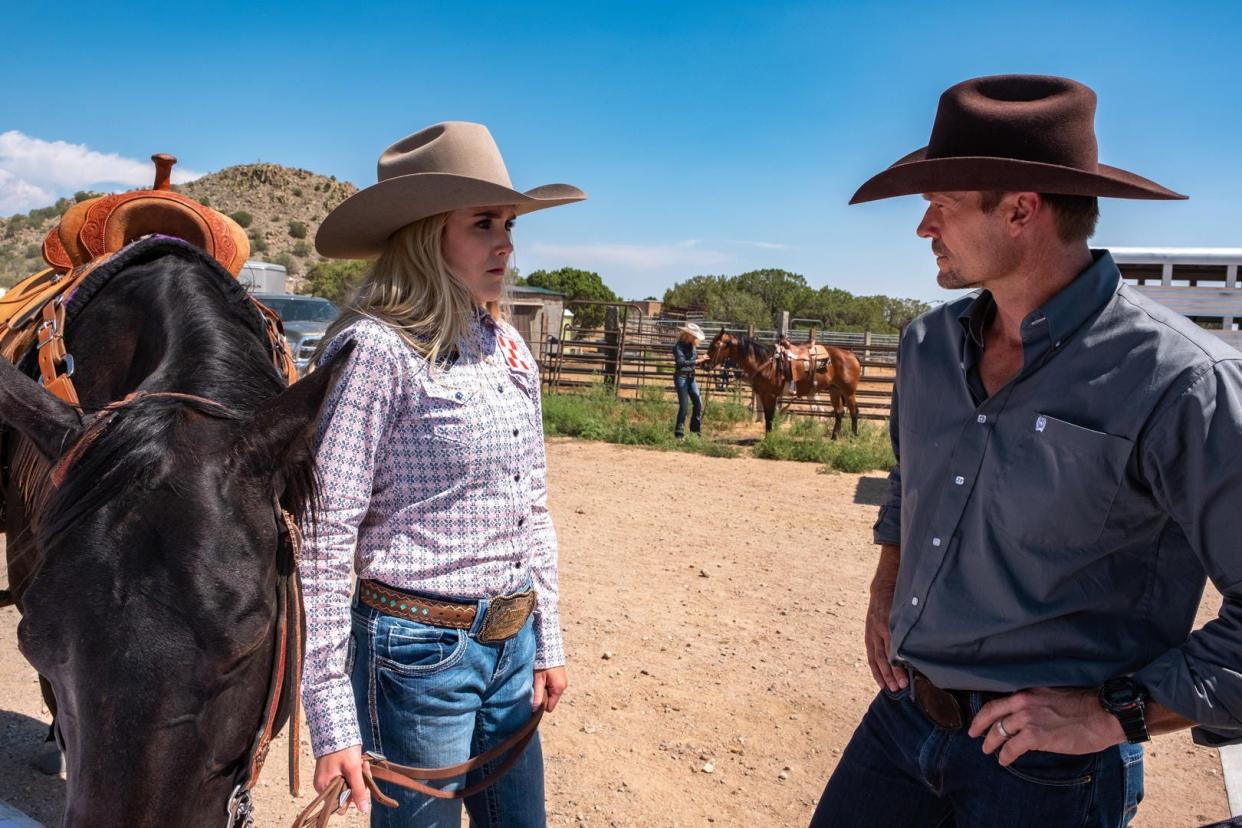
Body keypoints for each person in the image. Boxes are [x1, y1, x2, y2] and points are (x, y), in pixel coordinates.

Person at [811, 74, 1242, 827]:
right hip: (903, 716)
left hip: (1046, 772)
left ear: (1020, 211)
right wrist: (888, 578)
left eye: (940, 205)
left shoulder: (1182, 382)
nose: (923, 228)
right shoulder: (926, 347)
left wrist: (1116, 715)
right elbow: (912, 477)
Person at [301, 121, 585, 826]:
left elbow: (532, 506)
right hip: (415, 654)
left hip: (511, 644)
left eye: (510, 223)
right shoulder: (375, 351)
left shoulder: (509, 345)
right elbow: (325, 530)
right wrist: (332, 716)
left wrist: (546, 638)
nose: (506, 242)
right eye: (483, 222)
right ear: (426, 234)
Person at [672, 322, 709, 437]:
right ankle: (679, 433)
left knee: (698, 403)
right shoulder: (678, 347)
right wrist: (698, 360)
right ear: (688, 335)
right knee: (684, 405)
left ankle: (695, 432)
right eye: (694, 336)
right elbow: (681, 363)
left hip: (691, 378)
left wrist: (702, 360)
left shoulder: (692, 347)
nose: (696, 338)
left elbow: (691, 362)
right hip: (681, 377)